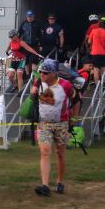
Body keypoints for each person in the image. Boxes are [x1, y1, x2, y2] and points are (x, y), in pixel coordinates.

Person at [31, 58, 74, 197]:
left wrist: (74, 118)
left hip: (61, 123)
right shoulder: (38, 83)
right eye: (41, 72)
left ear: (54, 74)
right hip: (44, 124)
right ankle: (45, 186)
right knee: (45, 151)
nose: (42, 75)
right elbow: (33, 97)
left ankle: (60, 182)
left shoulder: (65, 85)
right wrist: (33, 92)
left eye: (45, 73)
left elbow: (76, 98)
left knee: (60, 153)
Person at [86, 17, 105, 83]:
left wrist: (93, 45)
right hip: (103, 54)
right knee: (103, 68)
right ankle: (103, 83)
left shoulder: (93, 31)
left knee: (96, 69)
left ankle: (97, 85)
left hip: (94, 53)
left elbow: (89, 41)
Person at [18, 10, 44, 76]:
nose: (30, 18)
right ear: (26, 17)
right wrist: (18, 43)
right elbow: (19, 34)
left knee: (33, 59)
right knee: (25, 60)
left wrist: (41, 45)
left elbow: (40, 35)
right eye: (28, 17)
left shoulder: (37, 23)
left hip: (34, 45)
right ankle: (27, 75)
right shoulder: (23, 23)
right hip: (26, 45)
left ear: (33, 17)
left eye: (31, 17)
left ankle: (34, 75)